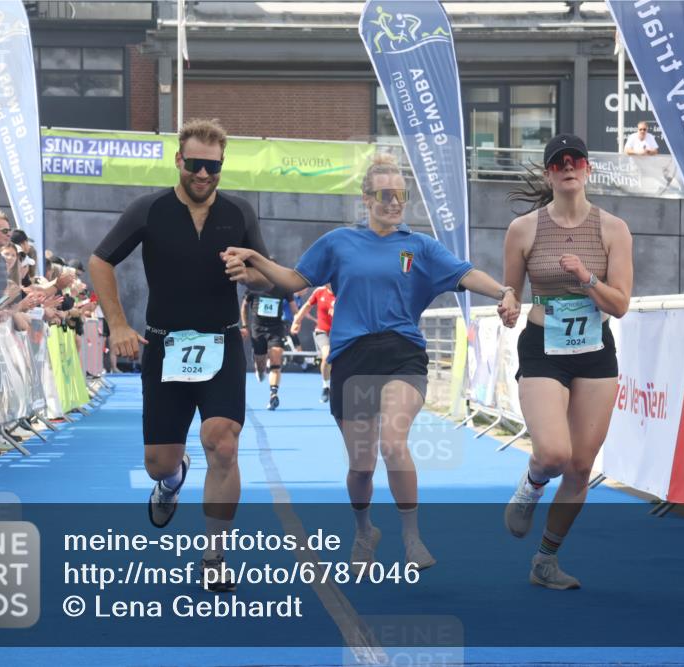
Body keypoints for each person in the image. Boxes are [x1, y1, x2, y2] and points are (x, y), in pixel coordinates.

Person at [222, 154, 520, 570]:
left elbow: (467, 274)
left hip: (402, 353)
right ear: (366, 199)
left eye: (401, 195)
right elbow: (292, 280)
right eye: (385, 195)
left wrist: (504, 291)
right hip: (352, 358)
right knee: (361, 467)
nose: (395, 203)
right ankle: (364, 530)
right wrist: (256, 257)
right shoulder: (339, 242)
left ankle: (413, 539)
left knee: (393, 444)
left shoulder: (419, 247)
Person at [89, 118, 273, 591]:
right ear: (179, 161)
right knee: (158, 461)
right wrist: (118, 324)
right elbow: (100, 260)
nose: (204, 174)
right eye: (195, 164)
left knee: (223, 443)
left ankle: (215, 556)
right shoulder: (148, 210)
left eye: (213, 166)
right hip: (166, 346)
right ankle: (172, 481)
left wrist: (248, 271)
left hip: (223, 342)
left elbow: (266, 277)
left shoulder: (239, 213)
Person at [501, 134, 633, 589]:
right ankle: (532, 484)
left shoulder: (614, 228)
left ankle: (545, 561)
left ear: (588, 169)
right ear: (549, 174)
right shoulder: (524, 229)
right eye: (558, 163)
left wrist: (586, 276)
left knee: (580, 467)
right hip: (543, 345)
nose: (568, 167)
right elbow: (509, 294)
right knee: (555, 454)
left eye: (575, 160)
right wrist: (508, 307)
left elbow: (620, 305)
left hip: (594, 349)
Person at [240, 287, 296, 410]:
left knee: (275, 358)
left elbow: (294, 307)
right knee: (261, 365)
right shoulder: (253, 287)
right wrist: (244, 325)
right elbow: (244, 306)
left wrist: (296, 321)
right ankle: (259, 368)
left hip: (276, 329)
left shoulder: (283, 287)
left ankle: (273, 394)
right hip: (258, 329)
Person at [292, 283, 335, 403]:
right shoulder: (319, 291)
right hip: (322, 332)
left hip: (341, 333)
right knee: (327, 356)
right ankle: (326, 386)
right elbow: (306, 306)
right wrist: (296, 321)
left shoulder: (344, 291)